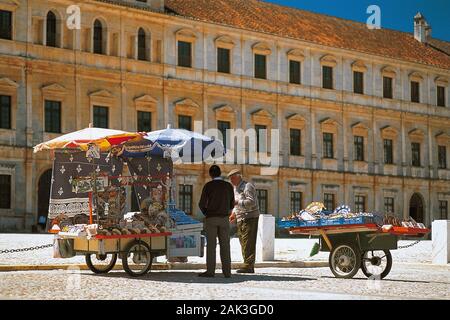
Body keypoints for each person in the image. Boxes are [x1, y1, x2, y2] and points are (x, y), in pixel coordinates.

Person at [198, 165, 235, 278]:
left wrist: (207, 213)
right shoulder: (228, 186)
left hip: (211, 219)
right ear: (220, 173)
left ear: (211, 174)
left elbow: (201, 204)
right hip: (224, 219)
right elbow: (232, 203)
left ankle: (210, 271)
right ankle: (227, 272)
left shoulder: (208, 186)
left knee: (211, 246)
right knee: (225, 246)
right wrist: (226, 211)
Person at [228, 169, 260, 274]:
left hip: (250, 217)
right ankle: (247, 263)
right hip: (241, 217)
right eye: (230, 179)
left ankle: (249, 265)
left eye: (232, 178)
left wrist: (238, 202)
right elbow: (235, 205)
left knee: (248, 242)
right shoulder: (234, 188)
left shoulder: (247, 186)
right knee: (243, 241)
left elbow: (251, 202)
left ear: (238, 177)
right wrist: (234, 213)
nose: (231, 181)